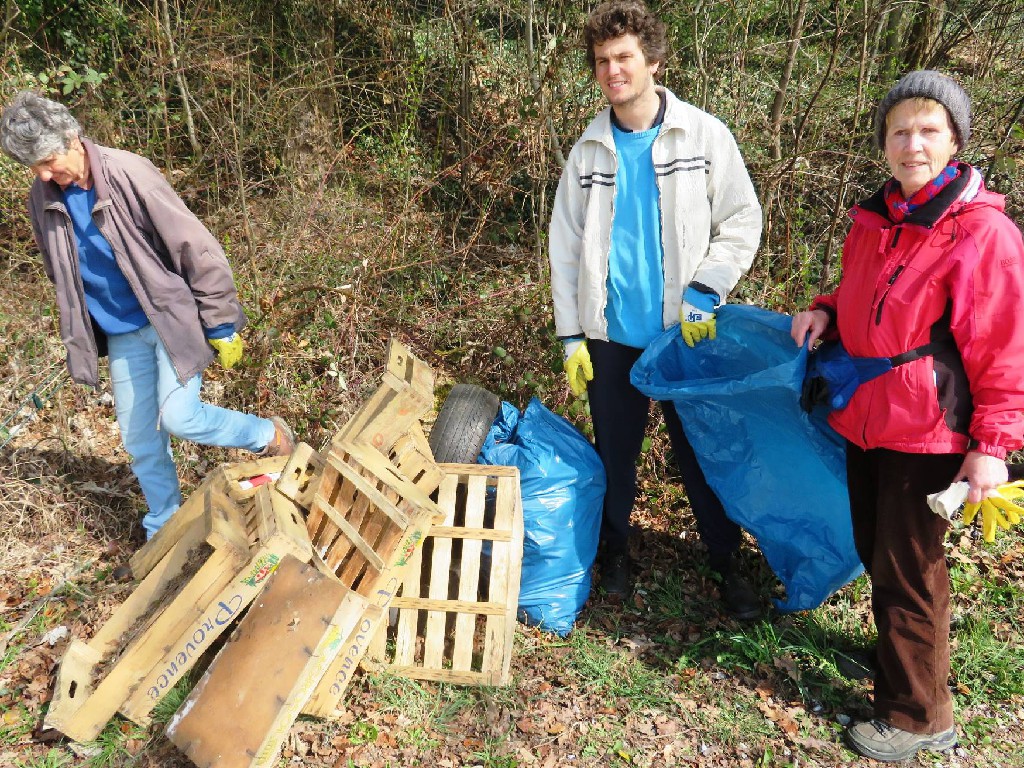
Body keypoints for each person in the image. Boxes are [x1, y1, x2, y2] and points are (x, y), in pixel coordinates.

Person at [791, 70, 1024, 761]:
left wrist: (992, 446)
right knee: (879, 552)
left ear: (954, 141)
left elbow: (1004, 347)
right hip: (870, 416)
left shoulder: (982, 233)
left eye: (928, 130)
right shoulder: (879, 217)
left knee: (910, 571)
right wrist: (825, 311)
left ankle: (920, 715)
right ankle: (900, 663)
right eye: (900, 131)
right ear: (884, 143)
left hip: (928, 430)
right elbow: (862, 296)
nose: (912, 144)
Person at [548, 0, 763, 618]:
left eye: (624, 57)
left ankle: (726, 562)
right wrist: (572, 335)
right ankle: (616, 551)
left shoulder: (702, 135)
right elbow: (565, 247)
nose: (613, 70)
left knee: (701, 455)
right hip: (611, 337)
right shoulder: (588, 151)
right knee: (615, 456)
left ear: (653, 61)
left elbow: (741, 219)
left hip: (682, 335)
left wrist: (707, 289)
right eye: (602, 61)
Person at [1, 91, 295, 541]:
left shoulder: (128, 172)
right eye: (33, 166)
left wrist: (220, 320)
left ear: (72, 138)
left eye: (47, 161)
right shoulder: (41, 197)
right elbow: (57, 268)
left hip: (169, 321)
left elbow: (194, 246)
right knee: (140, 440)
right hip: (121, 332)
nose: (42, 174)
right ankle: (165, 529)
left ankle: (265, 434)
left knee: (180, 417)